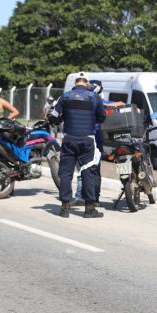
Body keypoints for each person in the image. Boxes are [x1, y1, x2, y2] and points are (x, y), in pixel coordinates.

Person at [48, 72, 106, 218]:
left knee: (66, 172)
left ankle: (65, 207)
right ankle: (89, 208)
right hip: (87, 140)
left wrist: (63, 117)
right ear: (87, 83)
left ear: (75, 83)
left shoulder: (65, 96)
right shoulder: (94, 97)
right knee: (87, 172)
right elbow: (102, 117)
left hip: (69, 139)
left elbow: (53, 118)